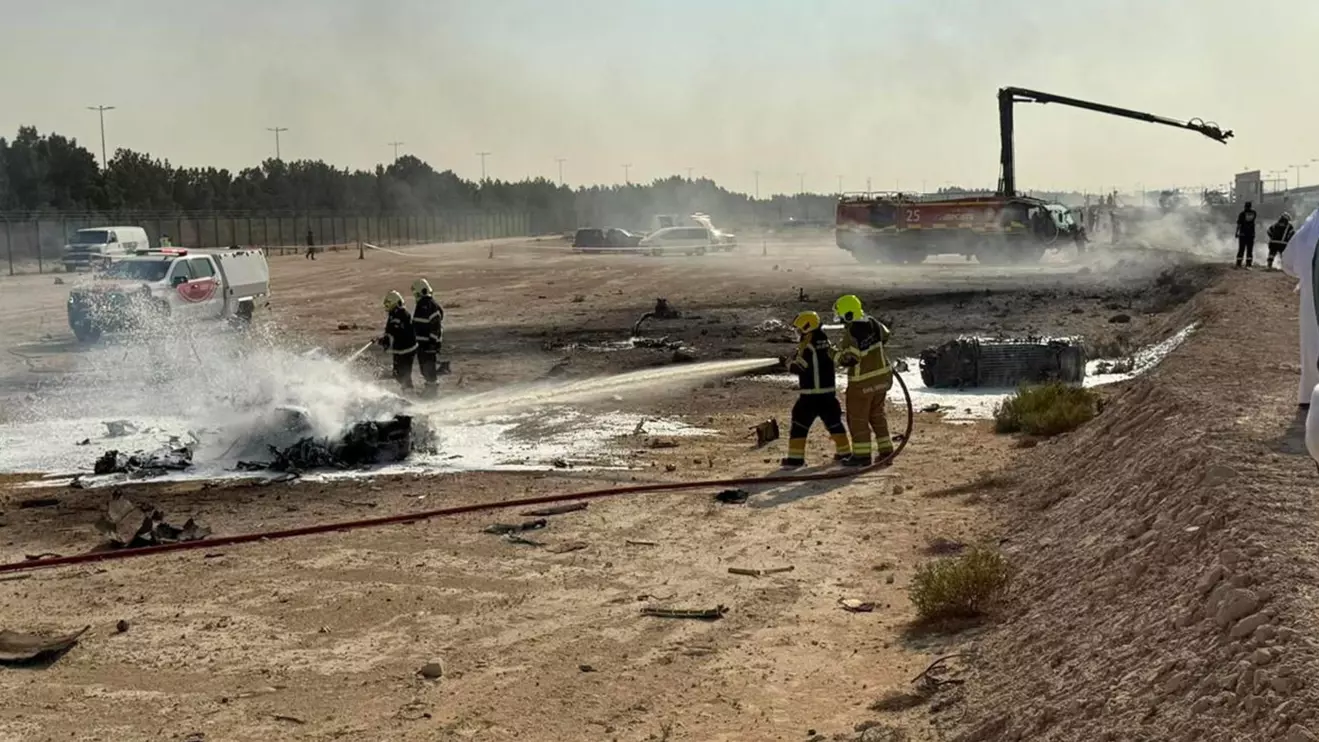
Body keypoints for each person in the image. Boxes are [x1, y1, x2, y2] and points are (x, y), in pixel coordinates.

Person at [780, 311, 852, 469]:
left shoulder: (809, 346)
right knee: (834, 423)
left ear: (807, 327)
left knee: (799, 423)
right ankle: (845, 453)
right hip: (828, 394)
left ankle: (795, 459)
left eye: (800, 329)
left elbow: (799, 367)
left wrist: (786, 363)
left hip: (811, 395)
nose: (798, 333)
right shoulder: (824, 340)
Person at [833, 294, 895, 468]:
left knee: (857, 419)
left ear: (848, 314)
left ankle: (861, 456)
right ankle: (886, 452)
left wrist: (833, 353)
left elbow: (850, 359)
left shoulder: (852, 331)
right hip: (882, 380)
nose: (841, 321)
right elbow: (885, 336)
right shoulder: (874, 323)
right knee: (877, 416)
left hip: (862, 384)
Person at [1282, 207, 1319, 408]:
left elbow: (1288, 261)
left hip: (1312, 295)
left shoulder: (1311, 225)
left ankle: (1310, 394)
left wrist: (1305, 275)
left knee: (1312, 344)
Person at [410, 278, 445, 396]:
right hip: (421, 344)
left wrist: (432, 343)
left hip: (429, 345)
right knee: (424, 368)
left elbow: (435, 326)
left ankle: (432, 391)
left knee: (429, 367)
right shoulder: (421, 305)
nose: (415, 296)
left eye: (416, 294)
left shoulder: (431, 306)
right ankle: (429, 388)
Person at [379, 290, 417, 390]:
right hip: (400, 350)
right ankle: (407, 390)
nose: (387, 307)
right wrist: (384, 339)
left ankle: (409, 393)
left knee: (404, 375)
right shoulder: (394, 314)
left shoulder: (401, 315)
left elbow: (395, 331)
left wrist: (385, 340)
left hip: (406, 350)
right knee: (399, 374)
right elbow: (391, 331)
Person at [1235, 201, 1258, 268]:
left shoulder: (1242, 214)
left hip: (1243, 234)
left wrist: (1236, 232)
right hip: (1251, 234)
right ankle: (1248, 264)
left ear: (1245, 206)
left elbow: (1239, 224)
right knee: (1250, 250)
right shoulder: (1254, 213)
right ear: (1250, 206)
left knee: (1241, 249)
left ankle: (1239, 263)